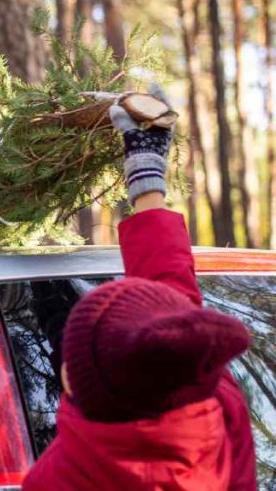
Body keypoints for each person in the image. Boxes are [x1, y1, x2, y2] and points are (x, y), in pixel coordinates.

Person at [23, 87, 257, 491]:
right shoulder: (218, 414)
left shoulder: (57, 477)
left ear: (75, 386)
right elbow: (171, 312)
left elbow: (172, 315)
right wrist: (147, 177)